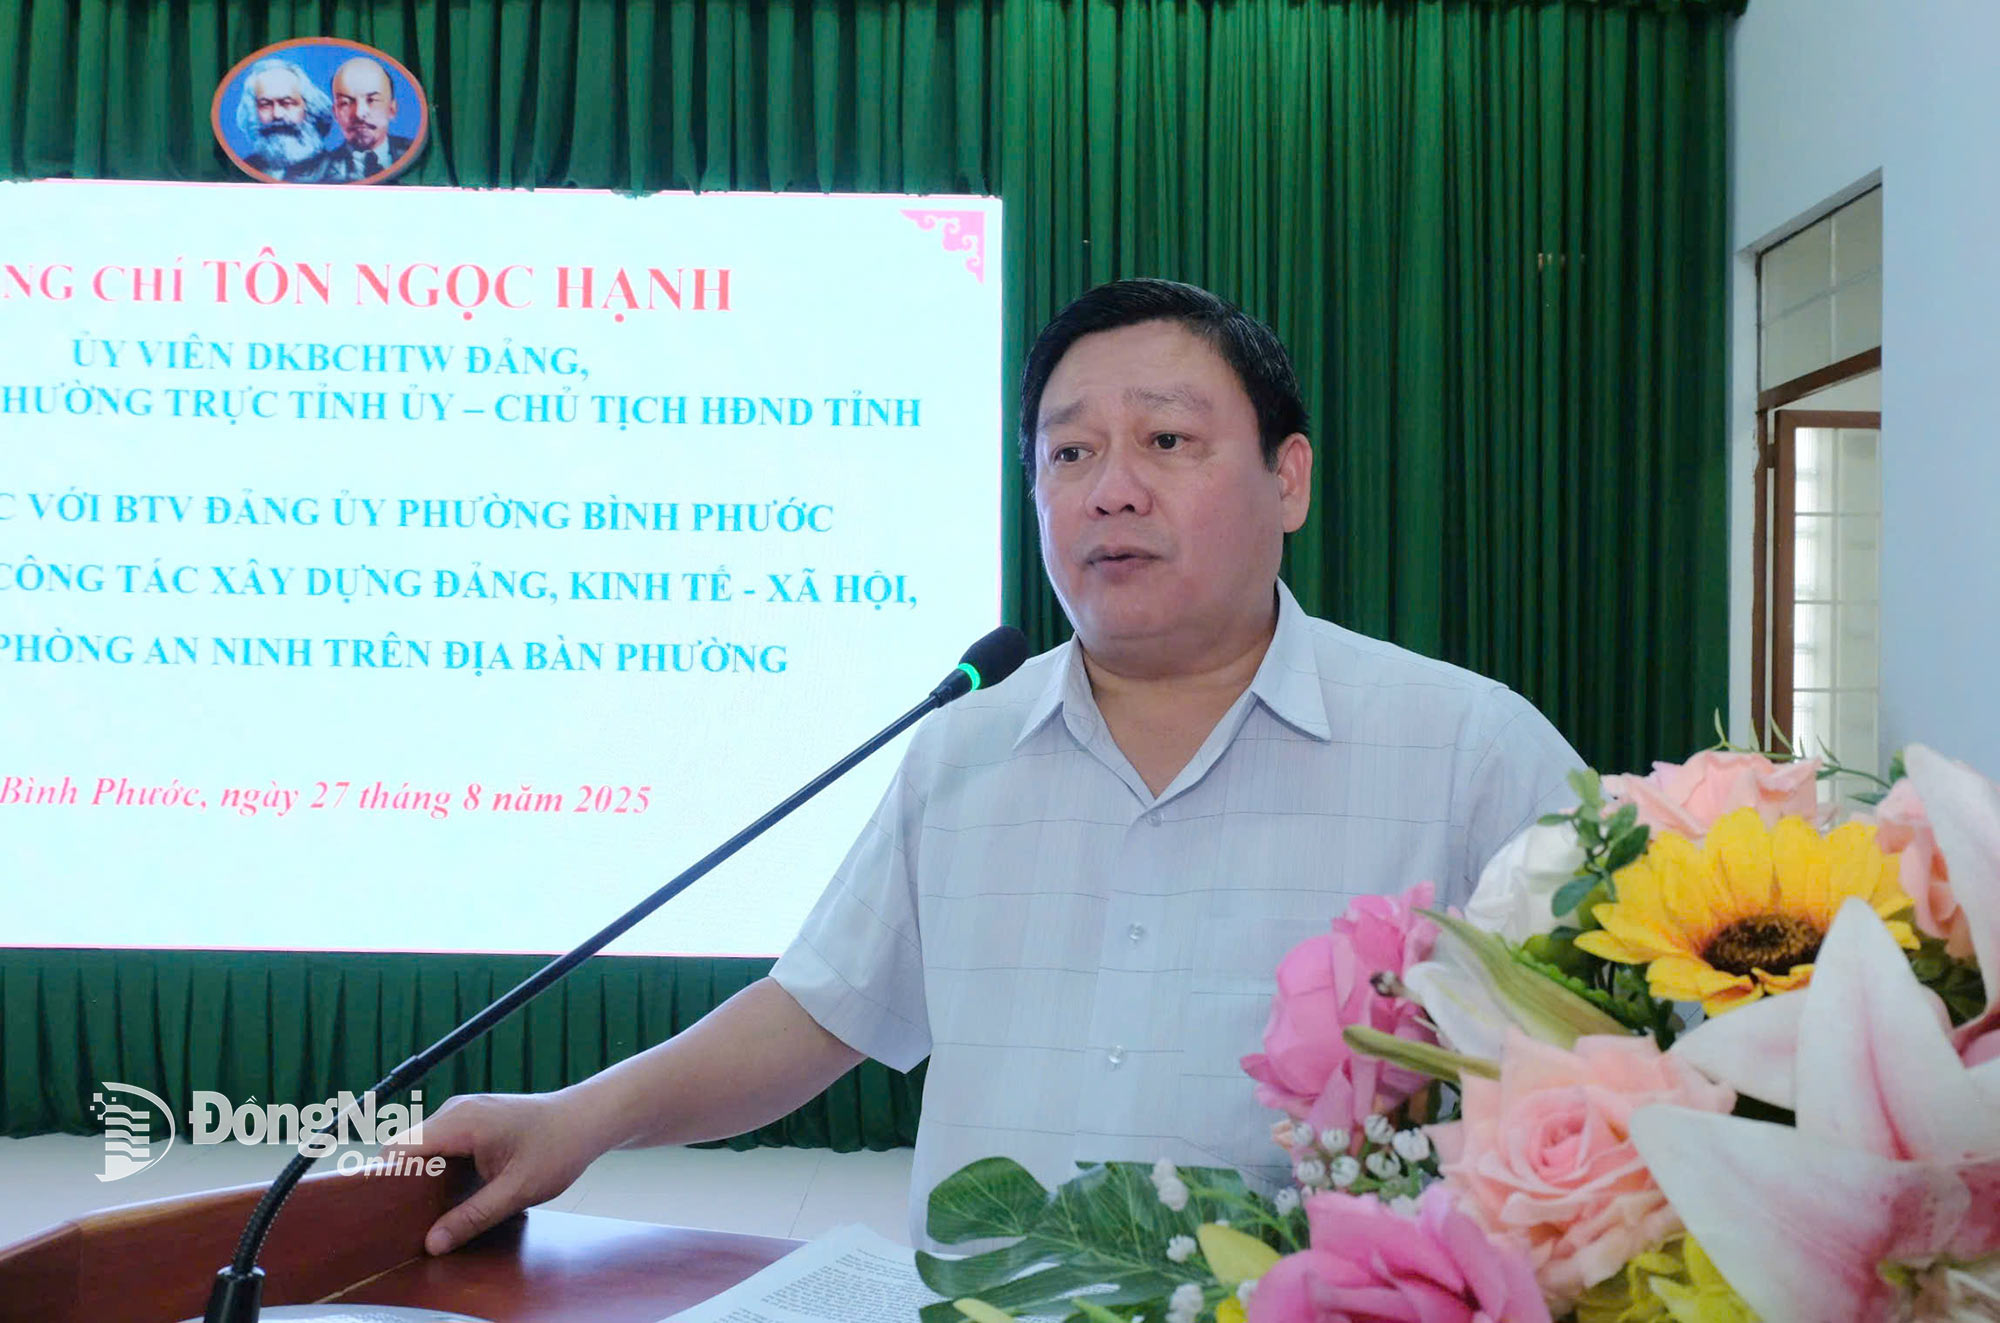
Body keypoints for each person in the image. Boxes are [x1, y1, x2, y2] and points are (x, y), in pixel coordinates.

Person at [395, 280, 1583, 1254]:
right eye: (1068, 453)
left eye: (1166, 440)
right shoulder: (963, 749)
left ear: (1289, 478)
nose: (1110, 486)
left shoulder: (1467, 749)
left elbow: (1609, 1077)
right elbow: (819, 1014)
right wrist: (577, 1118)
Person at [232, 58, 337, 182]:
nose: (277, 114)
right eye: (265, 104)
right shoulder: (244, 169)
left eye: (287, 103)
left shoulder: (336, 170)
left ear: (309, 108)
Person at [317, 56, 413, 181]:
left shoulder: (420, 157)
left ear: (392, 109)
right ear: (335, 112)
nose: (359, 113)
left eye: (372, 100)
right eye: (345, 102)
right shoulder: (320, 172)